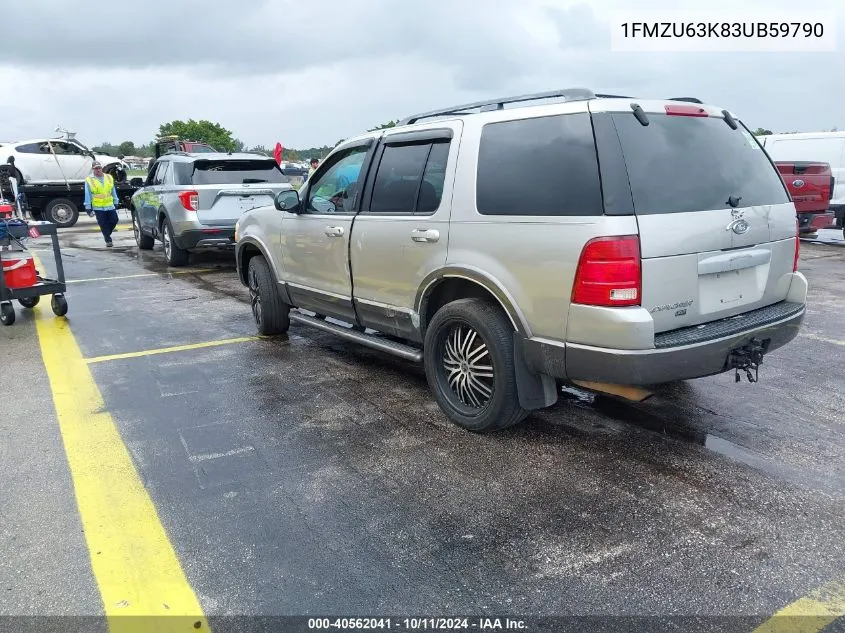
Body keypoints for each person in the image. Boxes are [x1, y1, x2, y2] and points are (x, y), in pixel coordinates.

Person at [84, 161, 120, 247]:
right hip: (98, 207)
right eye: (96, 168)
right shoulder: (89, 180)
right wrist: (88, 207)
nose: (98, 170)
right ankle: (108, 240)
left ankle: (106, 233)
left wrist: (116, 201)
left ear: (101, 168)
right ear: (93, 169)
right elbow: (87, 194)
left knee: (114, 220)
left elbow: (113, 190)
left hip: (109, 205)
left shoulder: (109, 177)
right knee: (103, 223)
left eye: (99, 168)